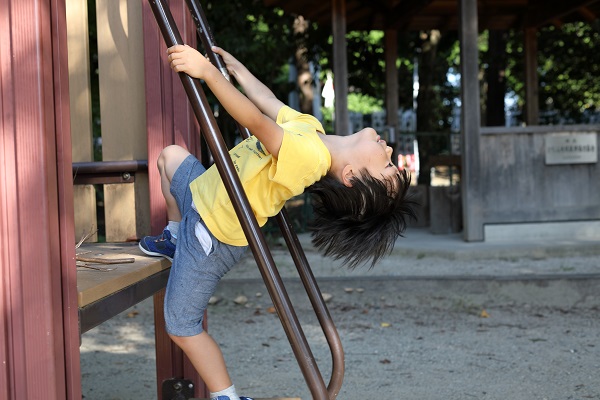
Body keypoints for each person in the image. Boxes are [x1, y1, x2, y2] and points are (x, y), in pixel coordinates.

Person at [139, 44, 416, 400]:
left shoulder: (309, 157)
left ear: (351, 176)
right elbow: (267, 102)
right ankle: (174, 237)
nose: (391, 151)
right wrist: (239, 71)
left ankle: (227, 396)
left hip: (212, 234)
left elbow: (256, 121)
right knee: (169, 157)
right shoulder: (311, 131)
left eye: (387, 166)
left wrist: (207, 73)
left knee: (180, 325)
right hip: (204, 194)